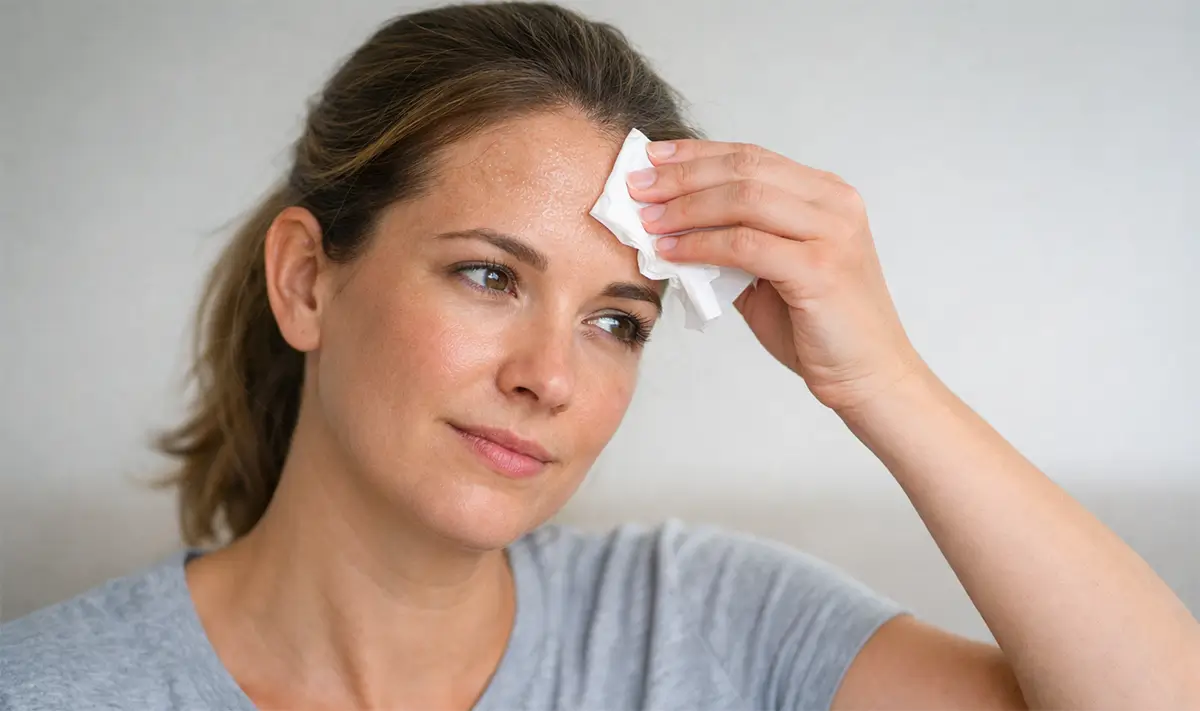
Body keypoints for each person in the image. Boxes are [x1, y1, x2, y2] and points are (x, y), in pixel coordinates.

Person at [2, 2, 1197, 709]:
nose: (551, 377)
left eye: (617, 320)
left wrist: (879, 381)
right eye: (488, 275)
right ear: (309, 280)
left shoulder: (706, 629)